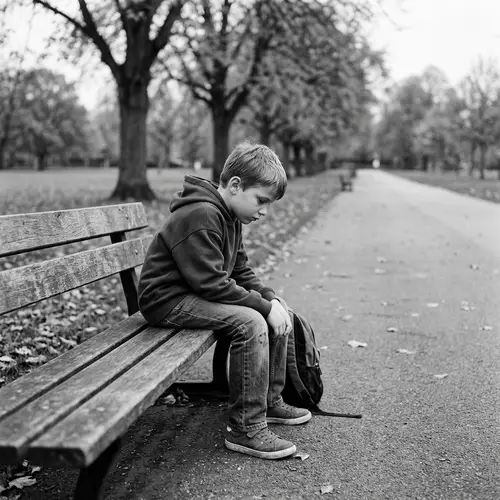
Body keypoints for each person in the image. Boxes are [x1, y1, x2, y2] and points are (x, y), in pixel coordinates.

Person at [138, 142, 311, 460]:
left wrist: (270, 299)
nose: (264, 211)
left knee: (274, 310)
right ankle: (246, 427)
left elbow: (240, 270)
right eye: (261, 201)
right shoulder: (201, 214)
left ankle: (268, 401)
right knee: (251, 321)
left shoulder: (230, 216)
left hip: (194, 294)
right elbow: (212, 283)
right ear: (235, 186)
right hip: (167, 300)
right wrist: (261, 308)